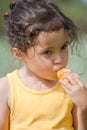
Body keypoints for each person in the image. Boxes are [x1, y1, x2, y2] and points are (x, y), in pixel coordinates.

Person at [0, 0, 87, 130]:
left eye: (63, 47)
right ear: (19, 54)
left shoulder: (72, 88)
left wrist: (83, 107)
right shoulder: (6, 88)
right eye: (48, 52)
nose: (59, 59)